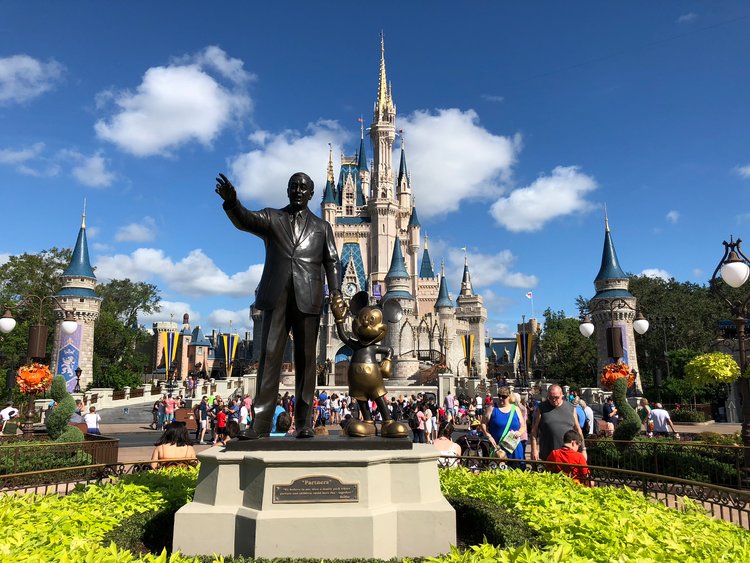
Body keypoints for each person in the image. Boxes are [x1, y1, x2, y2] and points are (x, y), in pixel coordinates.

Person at [216, 172, 345, 439]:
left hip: (308, 297)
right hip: (277, 296)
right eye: (293, 186)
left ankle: (305, 421)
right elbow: (245, 220)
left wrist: (335, 292)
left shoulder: (322, 227)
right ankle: (260, 423)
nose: (298, 190)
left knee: (308, 361)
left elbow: (332, 261)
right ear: (287, 190)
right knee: (270, 357)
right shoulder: (272, 218)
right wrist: (232, 203)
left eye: (303, 187)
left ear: (311, 194)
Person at [530, 384, 586, 462]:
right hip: (548, 456)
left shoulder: (571, 408)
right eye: (551, 397)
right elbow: (534, 430)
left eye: (556, 397)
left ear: (562, 395)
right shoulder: (541, 408)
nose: (553, 400)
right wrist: (534, 449)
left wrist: (583, 449)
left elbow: (577, 429)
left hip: (568, 456)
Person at [482, 387, 526, 463]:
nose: (501, 398)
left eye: (504, 396)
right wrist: (488, 436)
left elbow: (523, 426)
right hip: (498, 448)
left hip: (514, 447)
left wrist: (520, 432)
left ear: (509, 396)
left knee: (518, 471)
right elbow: (483, 423)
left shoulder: (516, 409)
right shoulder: (492, 408)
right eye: (499, 396)